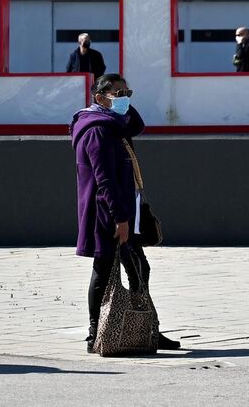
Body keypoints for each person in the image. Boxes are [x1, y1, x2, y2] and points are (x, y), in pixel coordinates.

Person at [72, 73, 179, 353]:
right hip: (108, 214)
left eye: (127, 92)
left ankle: (146, 328)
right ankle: (96, 332)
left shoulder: (114, 124)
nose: (124, 98)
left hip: (123, 211)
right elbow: (103, 177)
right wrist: (120, 219)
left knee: (139, 268)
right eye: (117, 94)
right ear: (99, 99)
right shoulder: (97, 129)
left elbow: (137, 125)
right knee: (105, 269)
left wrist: (123, 102)